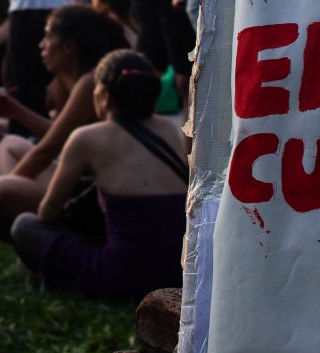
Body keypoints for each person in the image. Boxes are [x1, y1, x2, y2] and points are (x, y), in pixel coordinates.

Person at [10, 49, 188, 302]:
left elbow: (48, 212)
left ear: (104, 95)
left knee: (25, 226)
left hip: (126, 276)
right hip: (176, 272)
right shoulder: (170, 130)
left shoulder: (86, 138)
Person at [0, 4, 127, 222]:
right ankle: (8, 208)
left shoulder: (90, 83)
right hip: (76, 177)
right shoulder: (63, 83)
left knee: (2, 188)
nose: (41, 46)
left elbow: (47, 150)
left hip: (93, 194)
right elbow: (62, 136)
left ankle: (1, 211)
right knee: (9, 144)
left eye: (48, 37)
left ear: (69, 47)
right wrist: (17, 112)